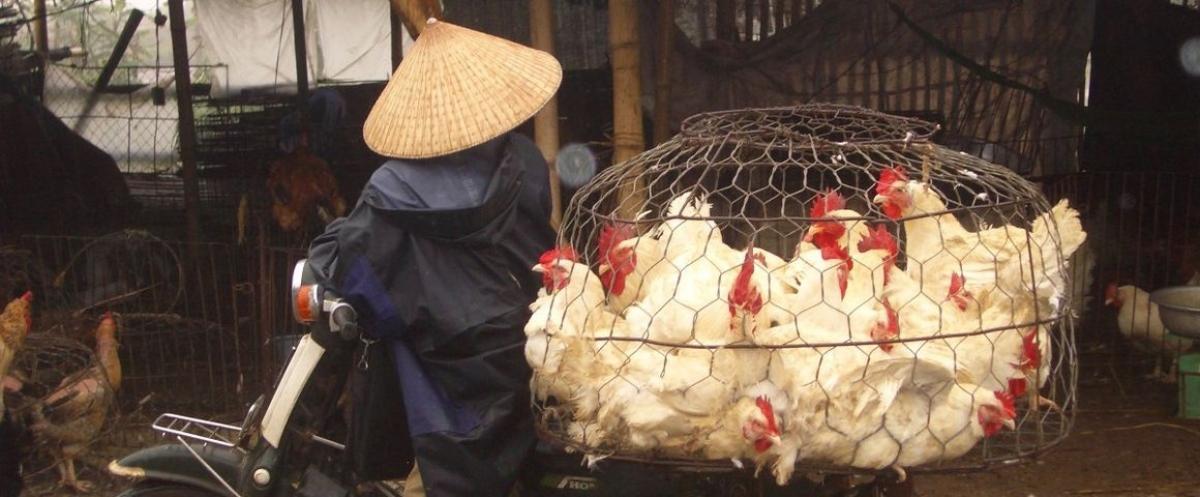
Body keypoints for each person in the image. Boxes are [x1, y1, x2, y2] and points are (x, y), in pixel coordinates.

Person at [306, 18, 560, 497]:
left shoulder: (390, 191)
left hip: (448, 380)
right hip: (520, 350)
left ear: (419, 112)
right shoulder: (522, 160)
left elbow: (367, 290)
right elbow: (529, 244)